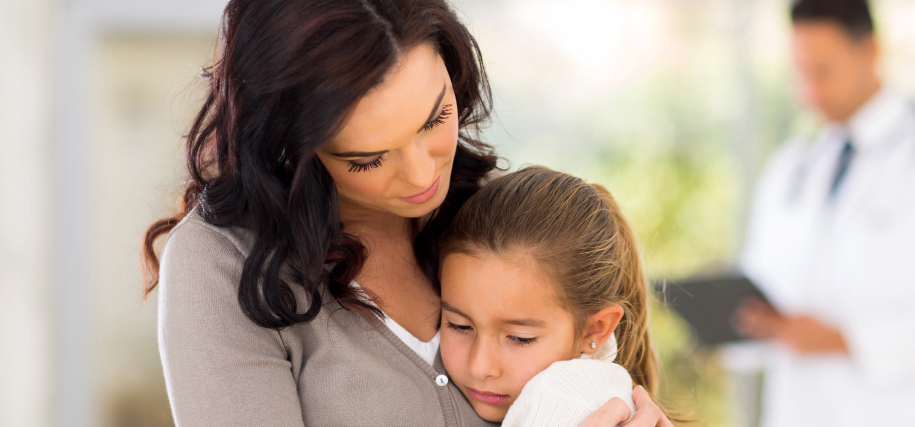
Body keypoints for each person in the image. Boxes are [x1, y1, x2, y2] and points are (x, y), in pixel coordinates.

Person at [140, 1, 672, 425]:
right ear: (290, 142)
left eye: (435, 118)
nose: (422, 177)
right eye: (367, 158)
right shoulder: (225, 265)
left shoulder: (494, 220)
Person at [732, 0, 915, 426]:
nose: (809, 92)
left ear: (870, 51)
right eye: (800, 72)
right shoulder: (792, 167)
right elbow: (766, 285)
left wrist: (847, 341)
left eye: (824, 71)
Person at [437, 166, 681, 426]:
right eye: (459, 326)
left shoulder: (562, 402)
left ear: (595, 330)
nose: (479, 366)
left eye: (520, 339)